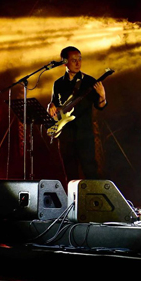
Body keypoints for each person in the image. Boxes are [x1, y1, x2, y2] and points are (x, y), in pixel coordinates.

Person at [48, 46, 107, 181]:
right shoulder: (58, 84)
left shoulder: (89, 82)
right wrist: (50, 106)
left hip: (84, 134)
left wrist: (102, 95)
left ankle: (93, 195)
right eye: (73, 60)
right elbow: (54, 105)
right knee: (70, 174)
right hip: (65, 135)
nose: (78, 63)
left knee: (90, 171)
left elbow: (100, 106)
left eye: (79, 59)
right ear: (65, 62)